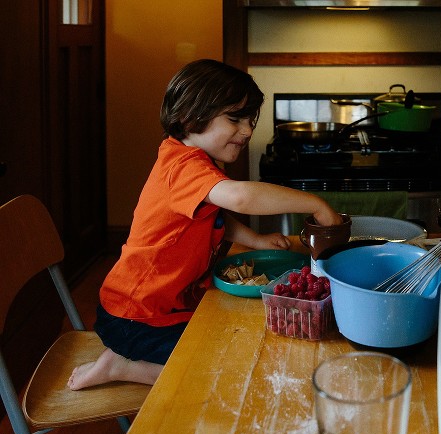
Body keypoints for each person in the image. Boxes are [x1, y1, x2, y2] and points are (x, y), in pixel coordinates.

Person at [68, 59, 343, 390]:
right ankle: (120, 366)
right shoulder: (183, 166)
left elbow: (214, 217)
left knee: (239, 343)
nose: (247, 130)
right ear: (189, 117)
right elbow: (240, 198)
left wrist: (255, 239)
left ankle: (123, 359)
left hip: (165, 308)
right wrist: (316, 204)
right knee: (224, 368)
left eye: (249, 120)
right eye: (235, 119)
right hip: (136, 318)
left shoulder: (193, 159)